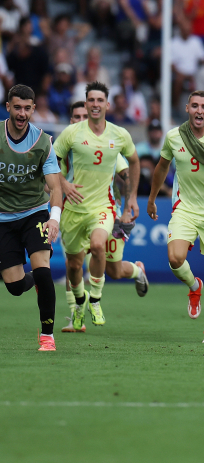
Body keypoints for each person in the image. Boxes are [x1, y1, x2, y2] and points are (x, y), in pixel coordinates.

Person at [147, 90, 204, 343]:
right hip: (184, 208)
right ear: (187, 108)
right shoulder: (174, 136)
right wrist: (153, 198)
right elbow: (161, 168)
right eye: (195, 106)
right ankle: (194, 286)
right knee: (175, 257)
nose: (200, 110)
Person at [54, 82, 141, 330]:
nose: (94, 105)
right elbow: (50, 160)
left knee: (98, 245)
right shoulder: (72, 133)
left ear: (107, 104)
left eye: (99, 100)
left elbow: (133, 162)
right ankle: (79, 303)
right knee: (73, 265)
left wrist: (131, 198)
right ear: (86, 101)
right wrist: (63, 184)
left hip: (102, 207)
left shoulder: (119, 134)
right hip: (73, 209)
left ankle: (95, 299)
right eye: (90, 100)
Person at [0, 84, 62, 351]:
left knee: (43, 268)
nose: (22, 113)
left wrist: (54, 218)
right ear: (8, 108)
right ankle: (36, 278)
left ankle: (47, 335)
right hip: (4, 217)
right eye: (17, 108)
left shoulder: (43, 142)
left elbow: (56, 187)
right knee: (14, 286)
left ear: (33, 109)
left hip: (34, 211)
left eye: (27, 108)